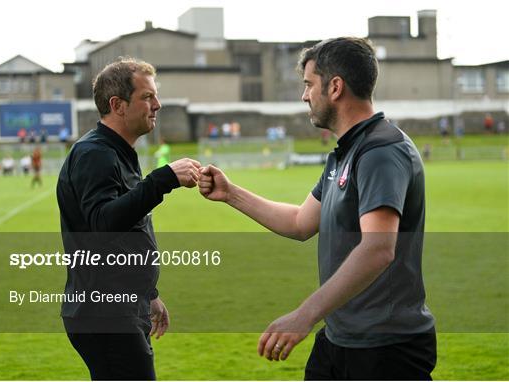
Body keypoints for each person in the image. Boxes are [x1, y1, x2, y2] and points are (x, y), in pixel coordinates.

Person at [199, 37, 436, 380]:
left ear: (335, 87)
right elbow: (299, 222)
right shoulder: (345, 153)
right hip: (340, 338)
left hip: (385, 348)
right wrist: (230, 193)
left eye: (309, 84)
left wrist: (304, 315)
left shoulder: (381, 151)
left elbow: (378, 248)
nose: (304, 95)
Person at [56, 57, 201, 380]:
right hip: (104, 314)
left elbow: (125, 233)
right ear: (117, 105)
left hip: (120, 306)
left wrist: (147, 292)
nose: (157, 104)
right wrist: (164, 179)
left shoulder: (118, 152)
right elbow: (102, 226)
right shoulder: (96, 154)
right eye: (147, 97)